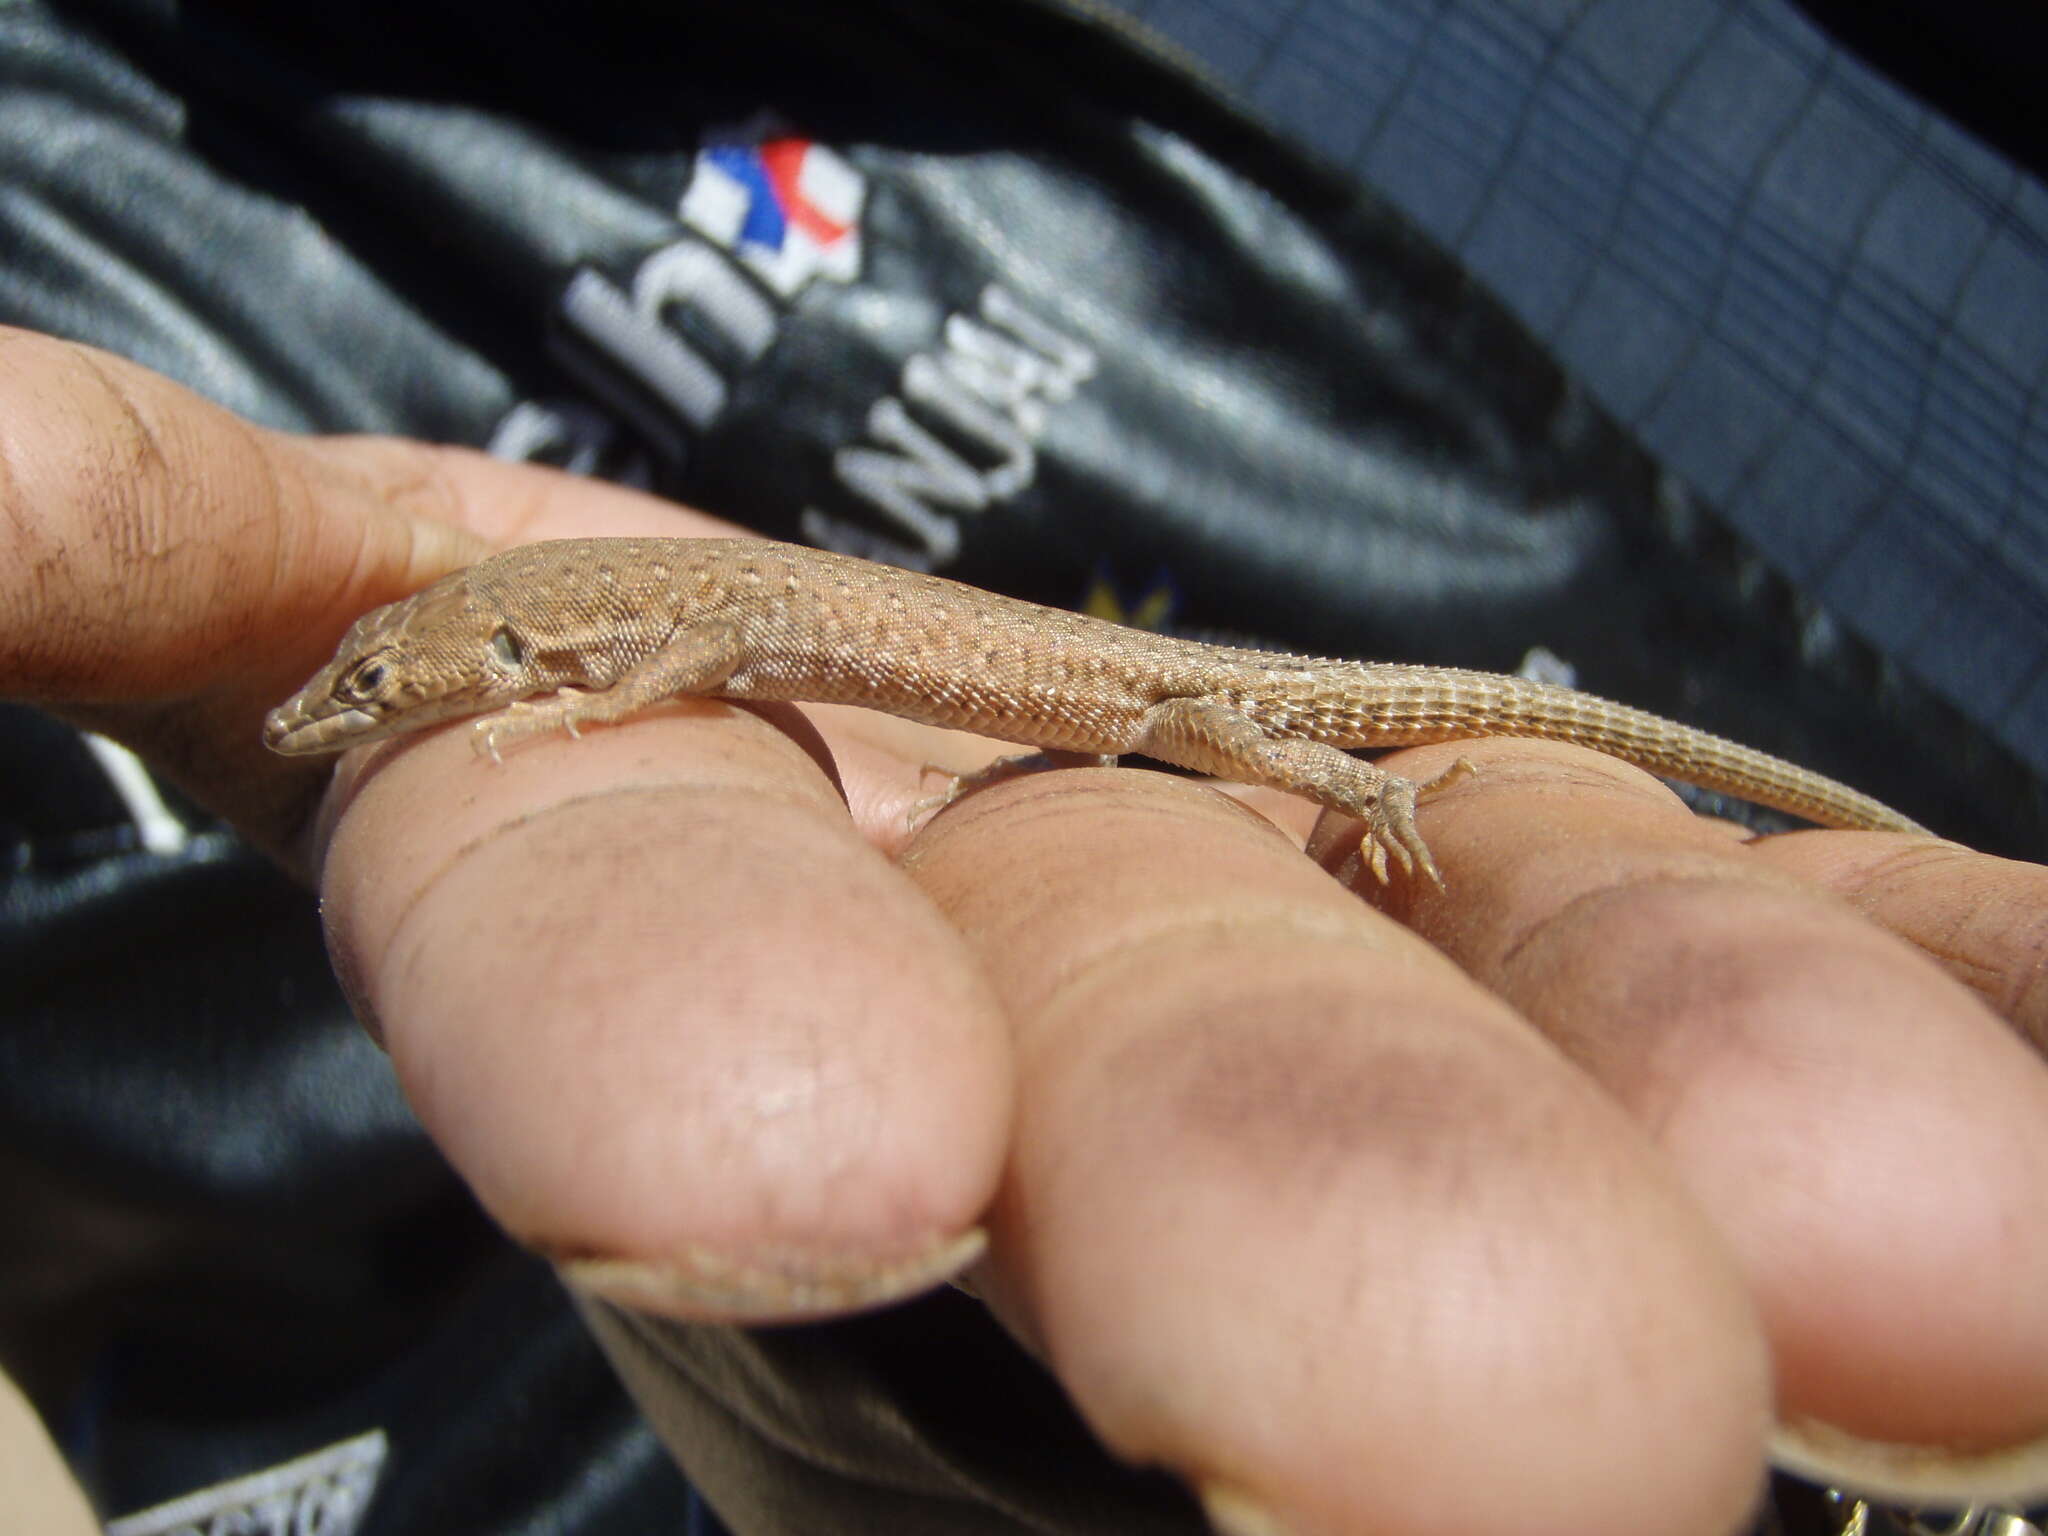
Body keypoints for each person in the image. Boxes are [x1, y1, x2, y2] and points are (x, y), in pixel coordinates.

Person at [4, 5, 2047, 1534]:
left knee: (1264, 740)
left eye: (386, 686)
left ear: (489, 651)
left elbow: (707, 634)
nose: (361, 703)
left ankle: (1405, 788)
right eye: (388, 692)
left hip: (1672, 409)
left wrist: (564, 704)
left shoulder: (599, 632)